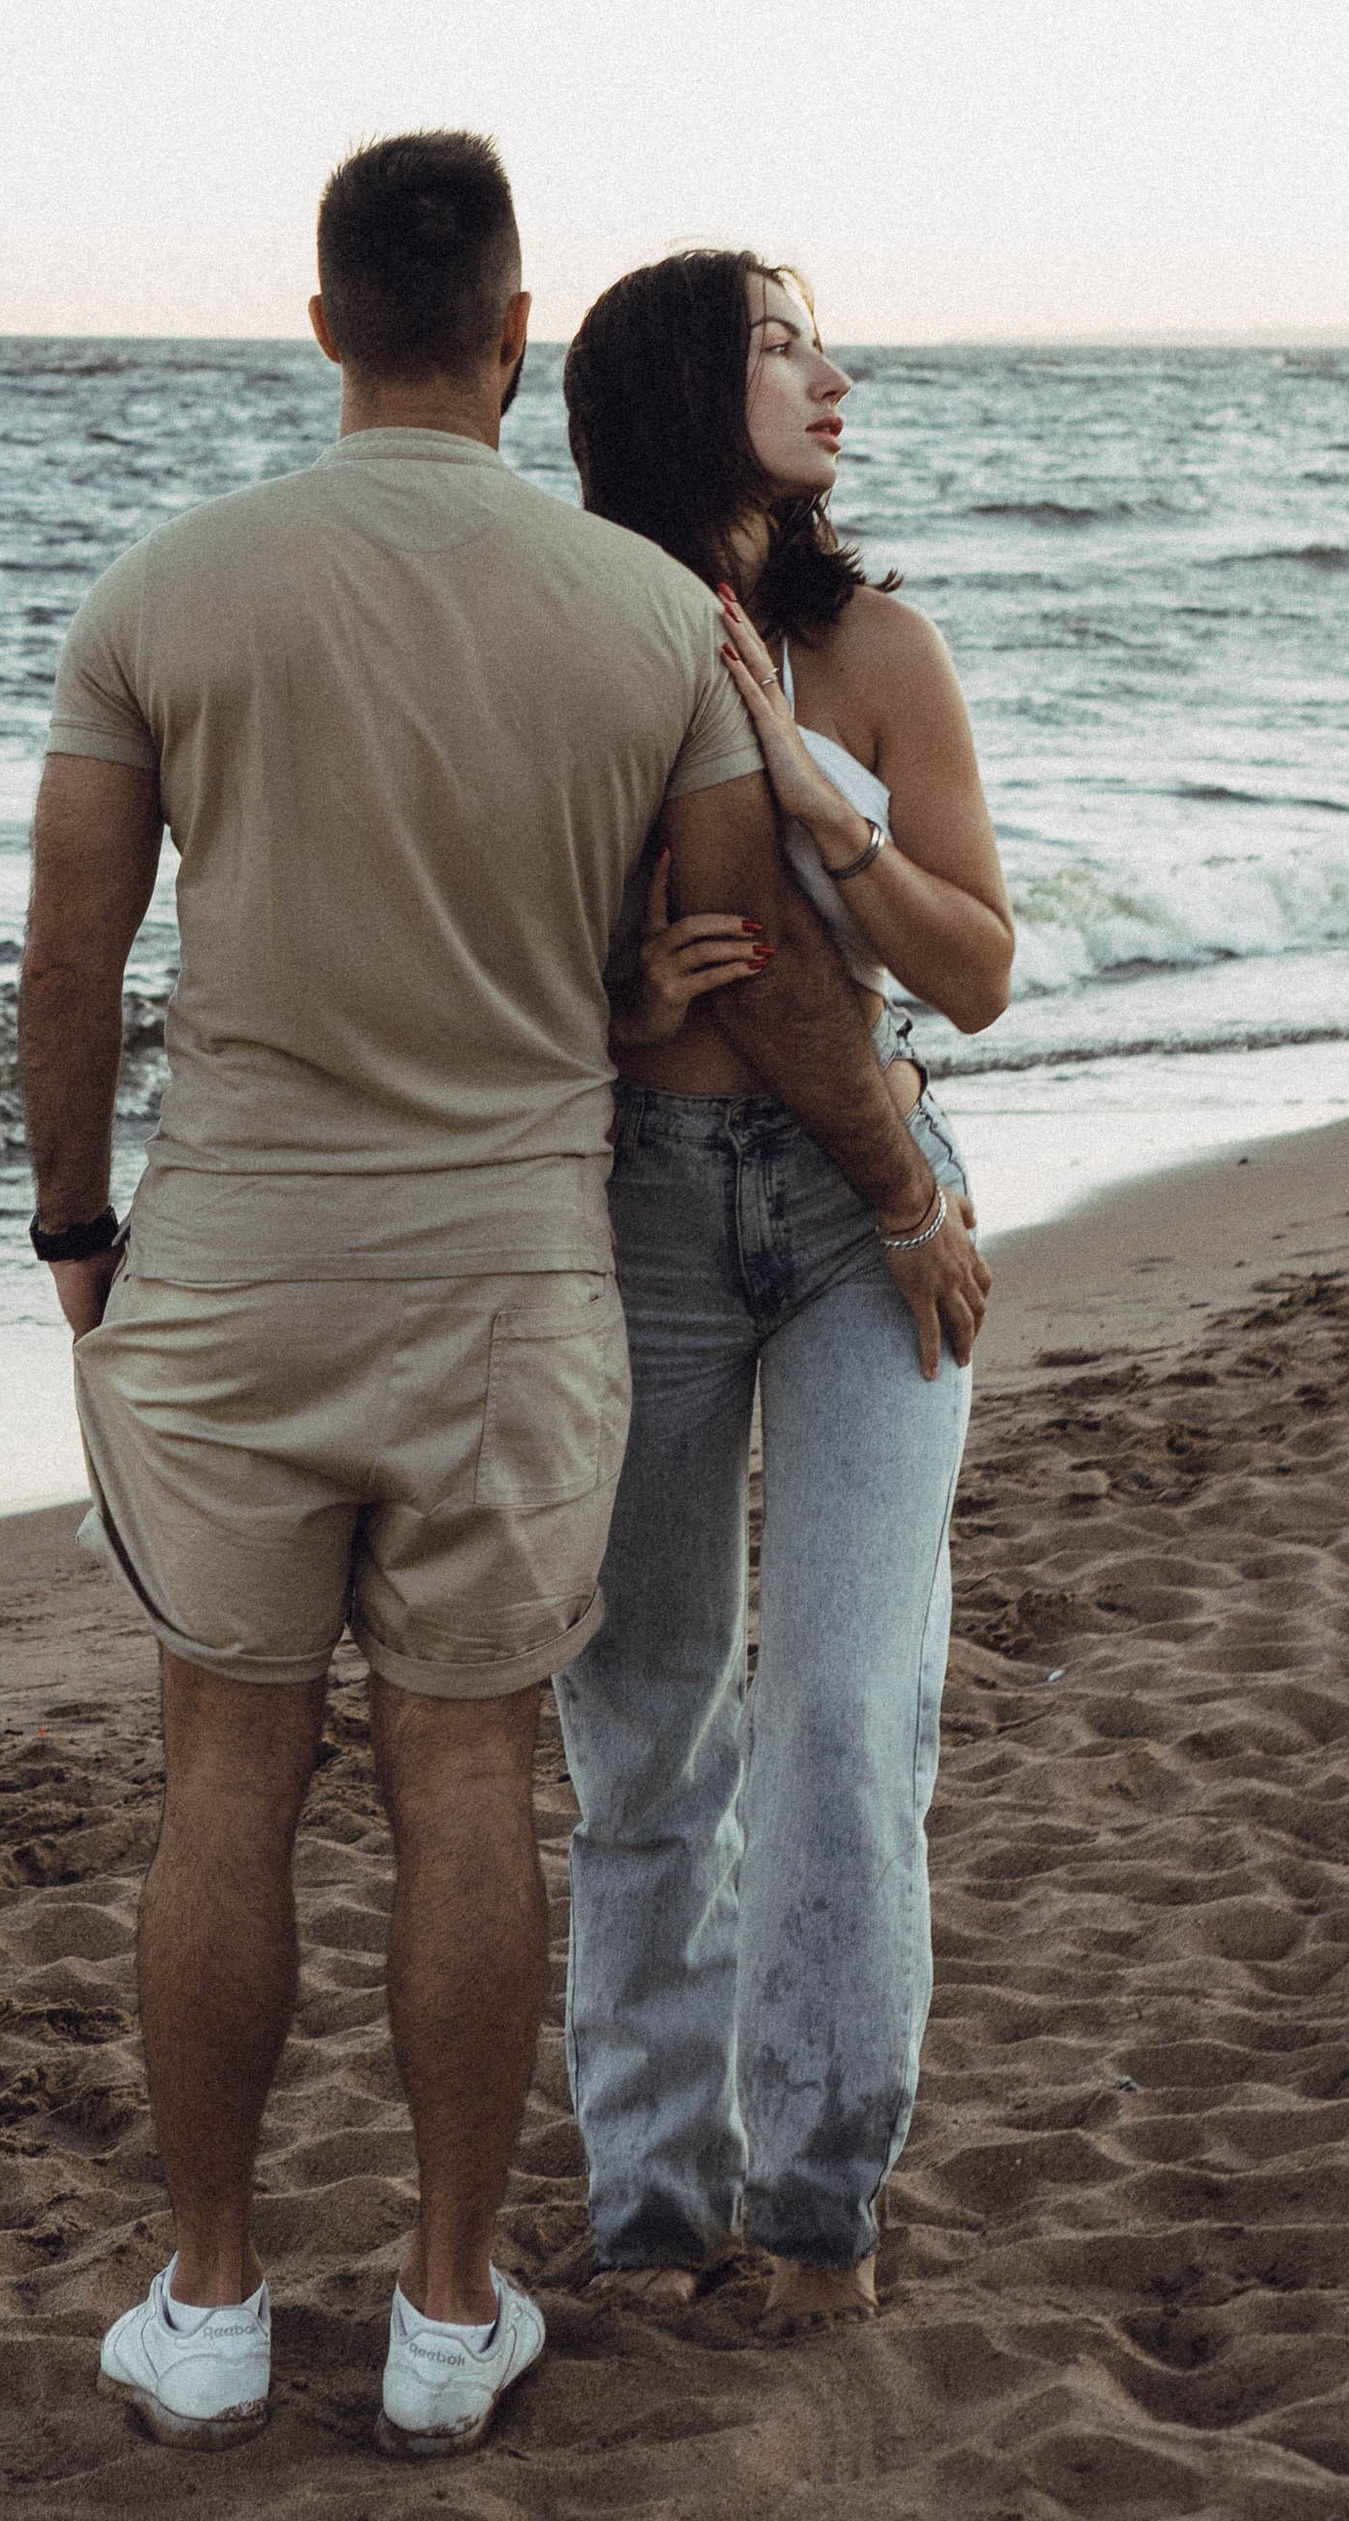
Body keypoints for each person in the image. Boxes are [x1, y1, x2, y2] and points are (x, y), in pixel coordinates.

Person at [19, 139, 967, 2458]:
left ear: (320, 324)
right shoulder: (635, 622)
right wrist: (848, 1150)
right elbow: (726, 977)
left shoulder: (158, 590)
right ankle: (457, 2310)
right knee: (484, 1773)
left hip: (241, 1278)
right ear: (516, 335)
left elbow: (67, 962)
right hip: (528, 1273)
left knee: (226, 1783)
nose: (821, 373)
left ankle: (213, 2300)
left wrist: (75, 1240)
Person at [556, 249, 1013, 2335]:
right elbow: (492, 957)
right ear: (676, 390)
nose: (832, 375)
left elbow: (976, 972)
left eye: (817, 340)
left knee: (840, 1710)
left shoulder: (878, 647)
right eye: (776, 343)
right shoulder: (574, 641)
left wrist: (831, 818)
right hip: (640, 1212)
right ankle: (654, 2212)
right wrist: (615, 1002)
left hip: (867, 1218)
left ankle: (820, 2206)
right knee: (645, 1730)